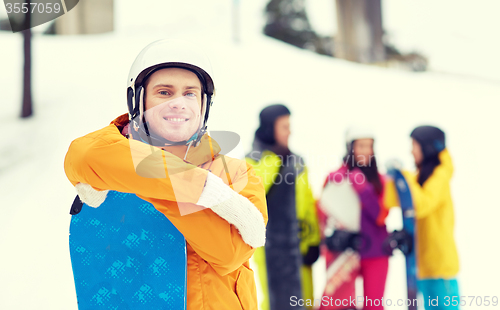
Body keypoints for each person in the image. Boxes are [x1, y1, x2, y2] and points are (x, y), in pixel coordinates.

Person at [64, 39, 268, 310]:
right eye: (164, 92)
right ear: (137, 100)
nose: (178, 104)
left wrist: (139, 181)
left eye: (190, 94)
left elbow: (228, 253)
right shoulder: (105, 152)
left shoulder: (236, 173)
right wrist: (200, 188)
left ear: (204, 104)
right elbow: (83, 155)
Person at [246, 104, 321, 310]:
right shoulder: (252, 160)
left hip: (299, 245)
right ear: (270, 129)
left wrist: (313, 241)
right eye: (284, 127)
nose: (290, 132)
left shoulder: (297, 161)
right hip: (271, 250)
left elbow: (308, 204)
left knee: (304, 301)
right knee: (276, 302)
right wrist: (275, 159)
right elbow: (255, 192)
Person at [385, 125, 460, 310]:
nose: (411, 151)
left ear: (427, 148)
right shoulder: (420, 176)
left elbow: (421, 204)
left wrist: (403, 177)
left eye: (414, 145)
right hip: (422, 264)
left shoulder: (440, 176)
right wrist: (391, 179)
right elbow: (391, 201)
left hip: (441, 268)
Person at [318, 127, 390, 310]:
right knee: (337, 304)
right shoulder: (336, 178)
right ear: (350, 148)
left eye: (370, 146)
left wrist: (363, 189)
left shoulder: (381, 181)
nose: (366, 151)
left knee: (373, 306)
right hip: (345, 251)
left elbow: (381, 216)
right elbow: (322, 213)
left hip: (375, 251)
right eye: (361, 146)